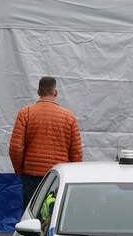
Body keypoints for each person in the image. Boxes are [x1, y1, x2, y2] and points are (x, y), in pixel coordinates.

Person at [8, 76, 83, 208]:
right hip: (58, 175)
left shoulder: (26, 113)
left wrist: (20, 170)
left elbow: (16, 147)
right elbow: (76, 152)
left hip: (32, 175)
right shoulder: (69, 117)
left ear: (38, 91)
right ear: (55, 92)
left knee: (31, 215)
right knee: (54, 213)